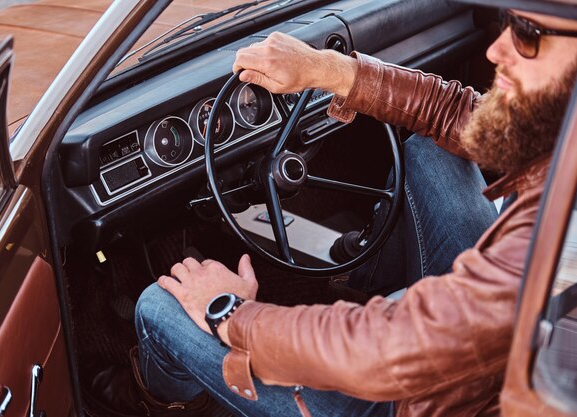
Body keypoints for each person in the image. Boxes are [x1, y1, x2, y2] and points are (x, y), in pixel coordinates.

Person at [114, 5, 577, 417]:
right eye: (507, 23)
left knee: (161, 306)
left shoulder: (543, 247)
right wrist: (327, 69)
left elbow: (385, 350)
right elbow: (457, 114)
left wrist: (231, 313)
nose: (497, 50)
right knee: (435, 153)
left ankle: (167, 402)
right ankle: (360, 281)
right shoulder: (567, 142)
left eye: (528, 32)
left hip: (427, 395)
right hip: (485, 357)